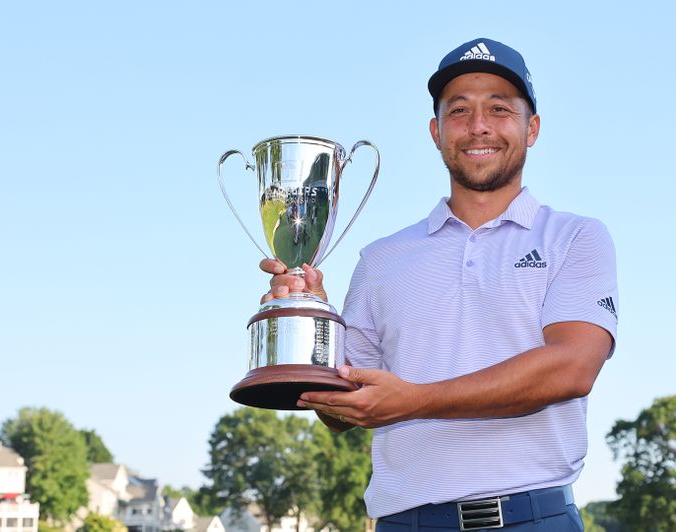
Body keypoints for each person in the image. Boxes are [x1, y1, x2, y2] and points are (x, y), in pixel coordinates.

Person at [260, 38, 618, 531]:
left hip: (532, 518)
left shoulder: (576, 237)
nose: (478, 126)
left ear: (531, 128)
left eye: (499, 108)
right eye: (459, 111)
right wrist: (308, 321)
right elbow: (341, 411)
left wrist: (417, 399)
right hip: (404, 521)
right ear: (435, 131)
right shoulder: (381, 259)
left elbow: (571, 368)